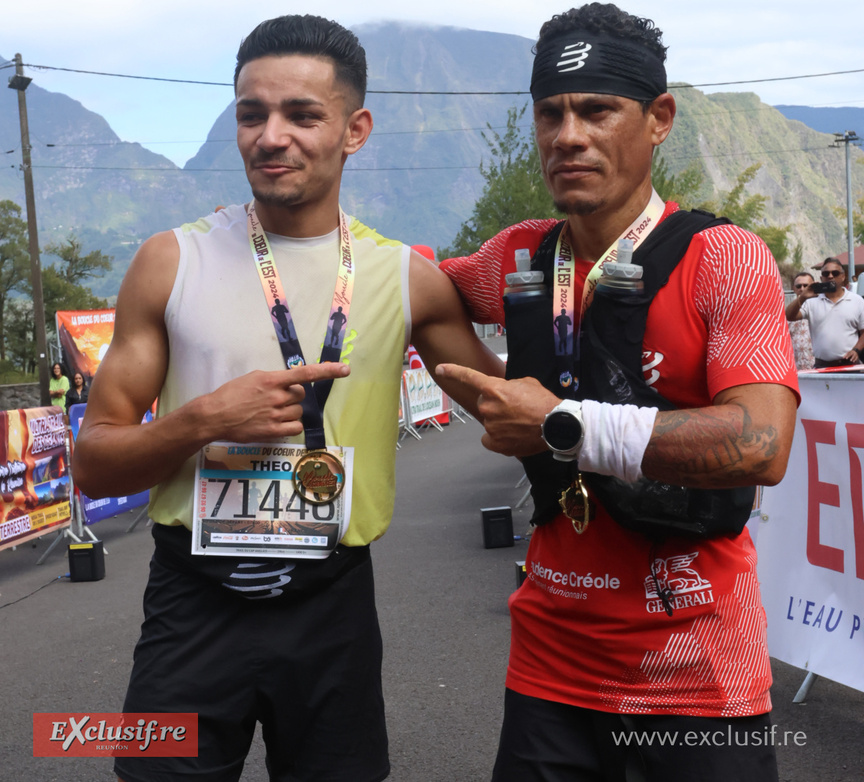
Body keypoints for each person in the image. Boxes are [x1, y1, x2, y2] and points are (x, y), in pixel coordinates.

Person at [71, 14, 500, 782]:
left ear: (354, 128)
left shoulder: (407, 277)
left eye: (302, 115)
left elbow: (515, 413)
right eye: (251, 114)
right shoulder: (170, 261)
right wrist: (203, 420)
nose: (272, 137)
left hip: (329, 607)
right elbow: (94, 465)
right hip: (190, 608)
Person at [436, 5, 799, 780]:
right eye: (550, 113)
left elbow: (762, 444)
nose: (568, 135)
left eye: (597, 109)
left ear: (659, 118)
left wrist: (562, 425)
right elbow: (420, 291)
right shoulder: (519, 255)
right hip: (549, 667)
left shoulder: (723, 256)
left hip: (697, 672)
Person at [785, 256, 864, 368]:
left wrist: (856, 350)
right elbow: (789, 316)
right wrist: (802, 297)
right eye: (826, 274)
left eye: (835, 273)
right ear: (821, 278)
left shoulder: (857, 301)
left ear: (843, 276)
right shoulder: (811, 301)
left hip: (849, 365)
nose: (830, 276)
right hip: (822, 366)